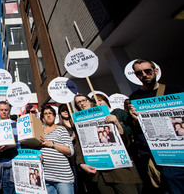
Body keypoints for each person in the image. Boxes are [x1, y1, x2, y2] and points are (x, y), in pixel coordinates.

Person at [127, 58, 184, 194]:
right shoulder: (135, 97)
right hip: (159, 155)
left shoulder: (175, 91)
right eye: (140, 73)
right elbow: (137, 129)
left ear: (155, 71)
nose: (144, 75)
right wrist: (134, 118)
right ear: (136, 75)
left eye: (148, 71)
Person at [73, 94, 141, 194]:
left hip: (119, 169)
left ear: (90, 101)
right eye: (78, 102)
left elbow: (125, 141)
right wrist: (81, 163)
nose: (82, 104)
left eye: (84, 100)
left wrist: (116, 123)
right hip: (98, 171)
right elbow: (79, 146)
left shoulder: (107, 115)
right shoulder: (78, 123)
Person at [0, 101, 21, 194]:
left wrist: (11, 145)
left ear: (9, 111)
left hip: (12, 166)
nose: (4, 112)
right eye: (1, 110)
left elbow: (20, 144)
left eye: (6, 110)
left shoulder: (15, 124)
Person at [39, 105, 74, 194]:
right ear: (43, 118)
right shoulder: (39, 131)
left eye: (50, 113)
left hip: (62, 177)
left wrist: (52, 144)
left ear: (54, 116)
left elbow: (70, 151)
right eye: (46, 114)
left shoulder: (61, 129)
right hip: (45, 178)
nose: (48, 115)